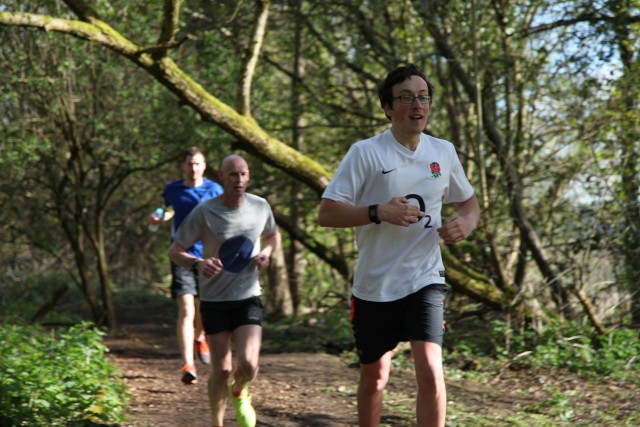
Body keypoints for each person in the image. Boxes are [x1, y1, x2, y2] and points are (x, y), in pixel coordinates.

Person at [318, 63, 480, 427]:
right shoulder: (365, 153)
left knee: (431, 371)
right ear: (388, 108)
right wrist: (378, 211)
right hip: (375, 285)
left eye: (423, 97)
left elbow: (468, 203)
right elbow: (327, 213)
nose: (417, 105)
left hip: (425, 276)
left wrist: (466, 223)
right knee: (375, 378)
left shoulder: (443, 151)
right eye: (406, 98)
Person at [168, 154, 281, 427]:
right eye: (232, 174)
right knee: (222, 368)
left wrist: (266, 253)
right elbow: (175, 251)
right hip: (215, 300)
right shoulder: (205, 211)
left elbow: (272, 235)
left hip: (248, 297)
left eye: (243, 174)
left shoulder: (260, 206)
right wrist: (198, 263)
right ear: (221, 177)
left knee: (249, 365)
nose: (238, 179)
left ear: (248, 176)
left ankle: (239, 391)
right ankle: (216, 422)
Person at [149, 146, 223, 385]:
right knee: (187, 310)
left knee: (204, 308)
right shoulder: (172, 189)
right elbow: (168, 210)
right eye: (190, 164)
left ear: (204, 166)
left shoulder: (215, 189)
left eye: (197, 164)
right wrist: (157, 218)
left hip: (209, 257)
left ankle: (200, 337)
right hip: (181, 255)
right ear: (183, 166)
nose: (193, 168)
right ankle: (188, 364)